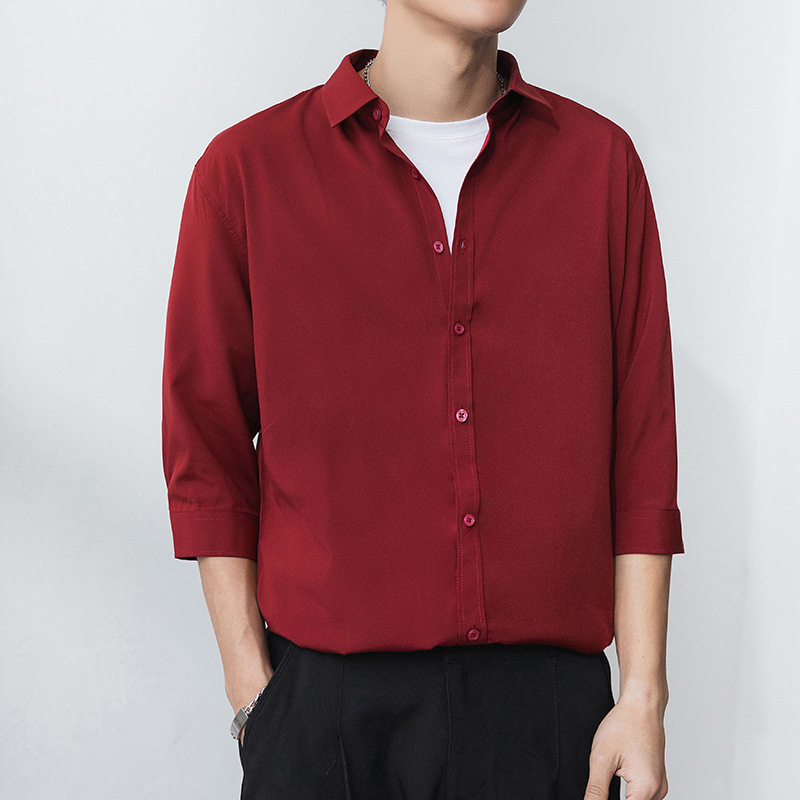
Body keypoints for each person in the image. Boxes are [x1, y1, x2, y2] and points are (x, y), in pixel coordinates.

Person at [161, 1, 685, 798]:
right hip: (326, 716)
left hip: (548, 721)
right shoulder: (247, 172)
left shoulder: (599, 166)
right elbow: (207, 447)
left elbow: (642, 450)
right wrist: (254, 693)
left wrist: (643, 694)